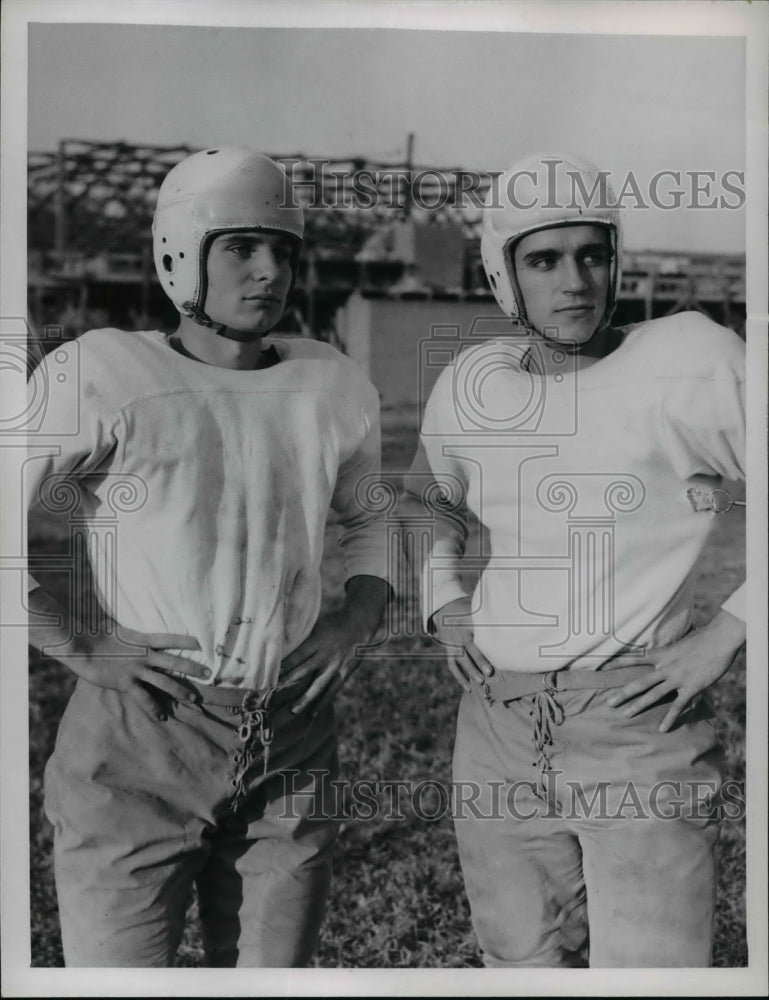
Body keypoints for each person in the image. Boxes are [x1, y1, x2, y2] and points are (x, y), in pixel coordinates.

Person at [27, 147, 393, 967]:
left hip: (288, 738)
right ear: (178, 253)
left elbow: (370, 518)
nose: (270, 271)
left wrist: (359, 612)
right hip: (142, 736)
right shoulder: (104, 372)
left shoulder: (329, 383)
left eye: (285, 251)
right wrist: (81, 645)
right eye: (241, 247)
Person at [400, 152, 746, 967]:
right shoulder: (472, 381)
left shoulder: (688, 358)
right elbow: (424, 497)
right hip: (494, 721)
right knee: (521, 966)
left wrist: (728, 631)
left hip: (636, 721)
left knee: (650, 976)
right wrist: (444, 601)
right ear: (502, 273)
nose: (574, 280)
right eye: (544, 259)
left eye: (592, 253)